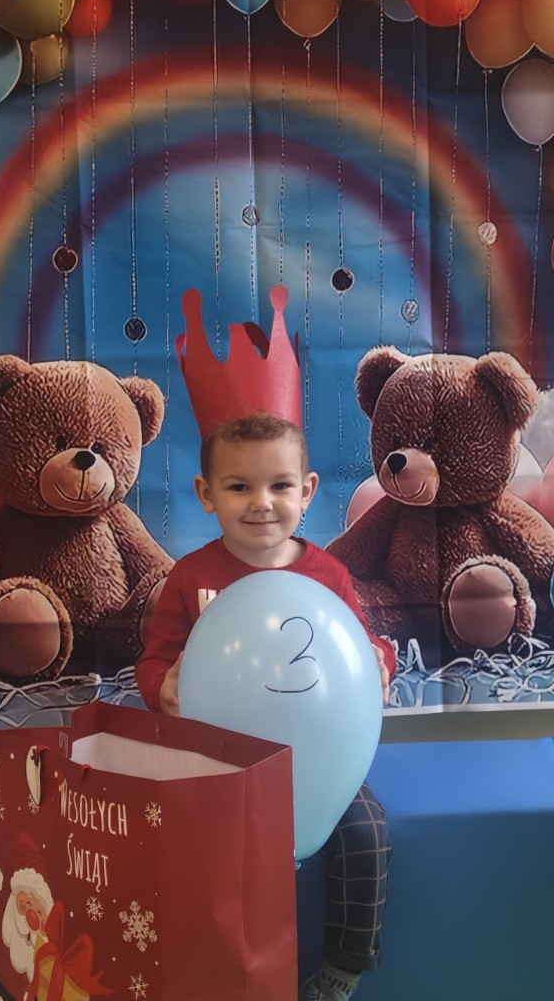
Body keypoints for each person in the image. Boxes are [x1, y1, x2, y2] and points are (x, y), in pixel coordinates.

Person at [135, 410, 395, 1001]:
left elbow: (360, 647)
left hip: (320, 769)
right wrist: (162, 687)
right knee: (195, 847)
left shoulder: (328, 575)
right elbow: (154, 664)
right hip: (219, 765)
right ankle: (216, 972)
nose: (262, 503)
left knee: (368, 834)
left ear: (307, 490)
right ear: (206, 494)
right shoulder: (190, 577)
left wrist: (380, 659)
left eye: (280, 485)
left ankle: (342, 972)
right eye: (238, 487)